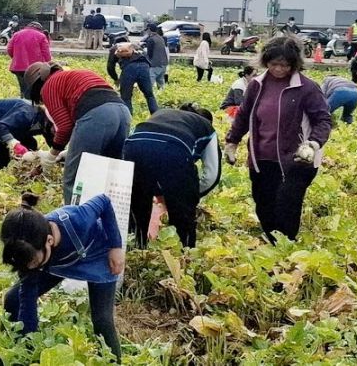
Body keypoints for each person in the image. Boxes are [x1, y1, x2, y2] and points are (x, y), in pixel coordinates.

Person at [224, 37, 332, 243]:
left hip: (298, 160)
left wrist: (313, 144)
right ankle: (271, 243)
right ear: (266, 62)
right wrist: (232, 141)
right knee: (263, 204)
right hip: (262, 157)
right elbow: (244, 115)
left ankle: (285, 248)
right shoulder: (257, 85)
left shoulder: (307, 88)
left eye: (285, 65)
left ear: (294, 64)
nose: (279, 69)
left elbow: (323, 120)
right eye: (274, 64)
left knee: (286, 206)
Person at [1, 193, 123, 362]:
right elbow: (27, 301)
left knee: (102, 320)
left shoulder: (78, 220)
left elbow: (103, 201)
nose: (29, 268)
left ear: (49, 240)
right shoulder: (26, 253)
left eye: (33, 262)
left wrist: (115, 246)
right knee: (13, 299)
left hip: (97, 253)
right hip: (55, 261)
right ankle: (11, 352)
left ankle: (113, 362)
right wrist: (29, 346)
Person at [23, 62, 130, 203]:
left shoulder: (48, 86)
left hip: (97, 115)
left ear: (36, 85)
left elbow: (65, 126)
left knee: (75, 178)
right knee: (111, 174)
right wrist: (69, 150)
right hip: (122, 112)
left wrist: (52, 155)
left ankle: (75, 220)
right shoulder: (74, 75)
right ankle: (114, 220)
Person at [121, 104, 220, 248]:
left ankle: (138, 248)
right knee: (183, 218)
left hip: (133, 144)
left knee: (138, 206)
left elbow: (152, 151)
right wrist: (189, 196)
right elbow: (212, 175)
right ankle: (186, 254)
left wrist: (160, 192)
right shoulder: (207, 128)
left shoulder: (163, 113)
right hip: (173, 148)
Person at [0, 98, 53, 169]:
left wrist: (57, 156)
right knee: (3, 143)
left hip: (8, 123)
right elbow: (0, 127)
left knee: (30, 143)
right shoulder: (26, 113)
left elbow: (53, 143)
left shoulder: (48, 125)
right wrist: (14, 144)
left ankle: (24, 167)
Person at [106, 41, 158, 117]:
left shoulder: (114, 49)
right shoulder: (135, 46)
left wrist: (116, 79)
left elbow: (110, 67)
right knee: (149, 95)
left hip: (129, 68)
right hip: (144, 66)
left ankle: (128, 119)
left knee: (126, 97)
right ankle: (156, 116)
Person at [7, 21, 52, 97]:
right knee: (32, 89)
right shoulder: (41, 36)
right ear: (39, 28)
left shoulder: (17, 34)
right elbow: (46, 54)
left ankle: (23, 102)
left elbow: (9, 49)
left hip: (18, 67)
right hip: (35, 68)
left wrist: (16, 59)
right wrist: (48, 65)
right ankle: (30, 105)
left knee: (23, 88)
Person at [142, 25, 169, 90]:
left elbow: (149, 54)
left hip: (155, 64)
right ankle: (162, 95)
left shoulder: (151, 39)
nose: (146, 32)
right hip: (164, 63)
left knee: (150, 82)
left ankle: (149, 96)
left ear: (149, 30)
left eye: (147, 30)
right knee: (160, 81)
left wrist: (143, 51)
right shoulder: (160, 38)